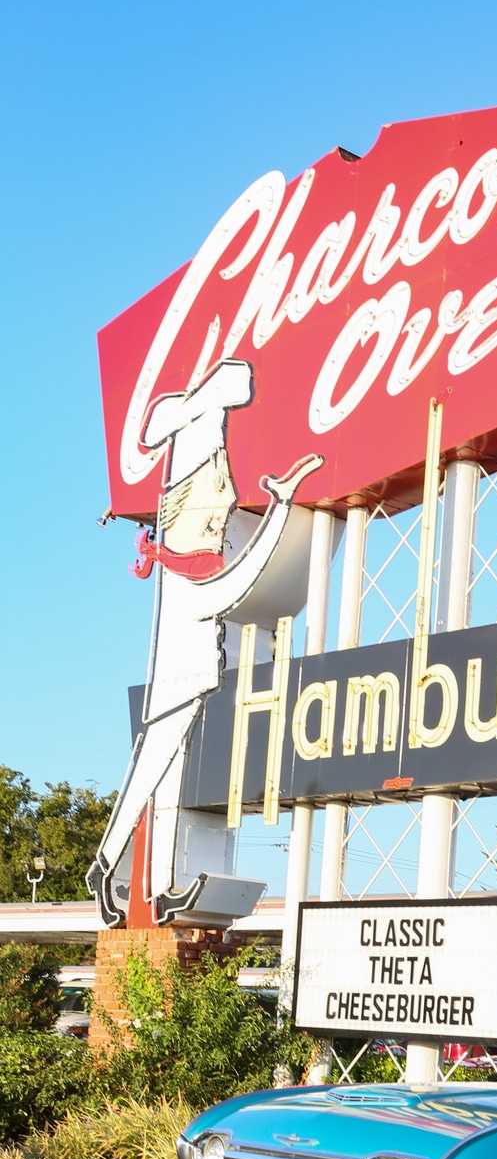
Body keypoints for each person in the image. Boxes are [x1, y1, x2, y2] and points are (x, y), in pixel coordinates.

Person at [87, 358, 322, 927]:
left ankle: (139, 880)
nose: (222, 515)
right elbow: (240, 584)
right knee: (154, 778)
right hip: (180, 680)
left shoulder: (190, 561)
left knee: (165, 781)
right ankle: (109, 872)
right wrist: (283, 507)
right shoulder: (189, 569)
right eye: (216, 506)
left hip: (198, 680)